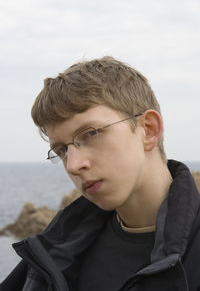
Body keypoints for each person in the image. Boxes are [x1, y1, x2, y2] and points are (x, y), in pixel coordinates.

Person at [1, 56, 200, 291]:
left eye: (91, 133)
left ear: (148, 130)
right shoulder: (56, 249)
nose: (73, 165)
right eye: (62, 150)